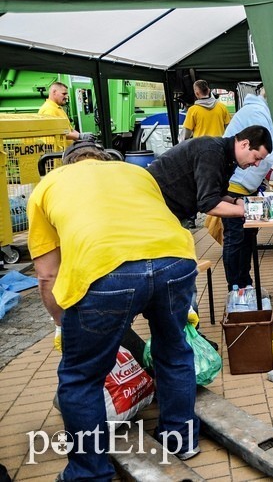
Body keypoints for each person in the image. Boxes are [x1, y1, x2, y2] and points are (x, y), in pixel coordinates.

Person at [28, 141, 199, 479]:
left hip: (105, 271)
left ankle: (89, 473)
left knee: (80, 377)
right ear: (106, 160)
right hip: (176, 260)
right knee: (174, 350)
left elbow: (47, 274)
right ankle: (181, 438)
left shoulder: (49, 185)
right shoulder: (136, 173)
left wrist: (63, 321)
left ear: (64, 164)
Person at [221, 85, 273, 290]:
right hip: (236, 185)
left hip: (246, 186)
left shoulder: (261, 111)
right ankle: (236, 288)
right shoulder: (257, 113)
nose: (256, 162)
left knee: (246, 237)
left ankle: (245, 284)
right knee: (237, 238)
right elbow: (267, 152)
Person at [148, 125, 273, 224]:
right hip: (151, 207)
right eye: (256, 158)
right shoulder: (212, 153)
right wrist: (249, 211)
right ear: (244, 144)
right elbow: (209, 204)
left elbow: (218, 195)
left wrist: (235, 201)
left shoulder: (226, 156)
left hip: (166, 210)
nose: (257, 164)